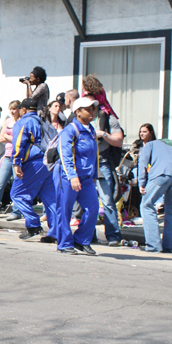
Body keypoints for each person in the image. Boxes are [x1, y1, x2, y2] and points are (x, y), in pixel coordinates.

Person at [82, 76, 124, 246]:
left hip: (102, 163)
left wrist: (104, 135)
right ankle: (89, 234)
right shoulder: (81, 119)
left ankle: (113, 235)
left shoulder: (107, 117)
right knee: (87, 201)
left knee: (107, 201)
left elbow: (119, 139)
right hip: (86, 163)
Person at [54, 97, 100, 255]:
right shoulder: (70, 130)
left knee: (93, 208)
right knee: (64, 210)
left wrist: (94, 175)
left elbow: (95, 155)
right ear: (78, 112)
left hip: (86, 179)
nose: (92, 112)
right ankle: (64, 243)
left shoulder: (91, 130)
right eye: (88, 109)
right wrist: (72, 176)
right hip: (69, 177)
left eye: (93, 108)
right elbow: (65, 154)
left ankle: (81, 240)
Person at [10, 97, 57, 242]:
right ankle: (55, 232)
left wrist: (16, 163)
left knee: (17, 194)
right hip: (50, 162)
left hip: (34, 162)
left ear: (23, 110)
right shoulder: (44, 122)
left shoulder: (23, 122)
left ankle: (33, 224)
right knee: (50, 199)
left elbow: (19, 143)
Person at [137, 127, 172, 253]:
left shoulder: (149, 145)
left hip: (161, 174)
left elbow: (142, 163)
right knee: (171, 211)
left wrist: (141, 183)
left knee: (146, 205)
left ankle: (153, 245)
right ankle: (168, 246)